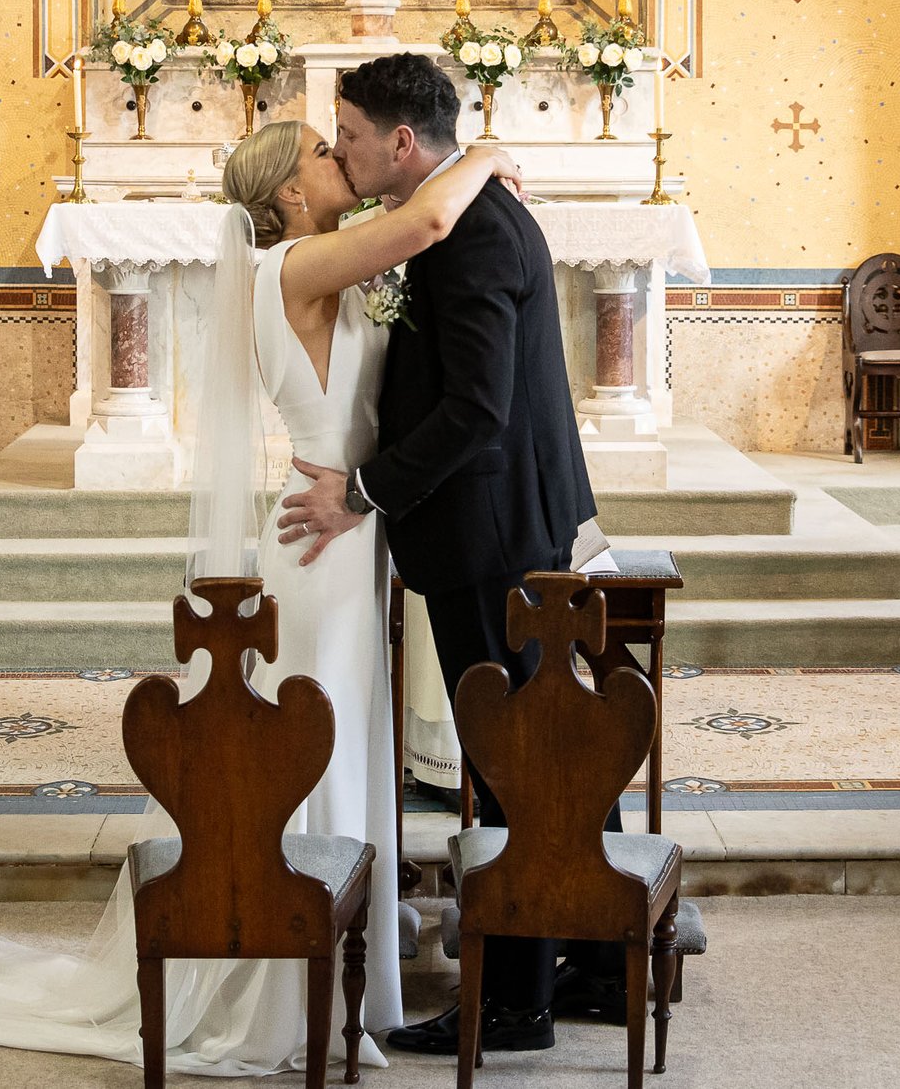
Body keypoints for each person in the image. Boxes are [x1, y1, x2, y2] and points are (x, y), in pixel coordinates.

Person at [0, 124, 519, 1077]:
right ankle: (283, 984)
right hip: (324, 542)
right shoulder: (296, 263)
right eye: (318, 152)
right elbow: (429, 216)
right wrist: (484, 153)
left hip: (346, 532)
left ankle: (345, 968)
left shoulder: (314, 263)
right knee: (318, 745)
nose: (336, 159)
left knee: (343, 741)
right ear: (291, 198)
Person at [277, 52, 604, 1056]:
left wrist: (365, 491)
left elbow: (476, 407)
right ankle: (594, 961)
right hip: (498, 524)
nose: (341, 150)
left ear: (402, 142)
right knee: (537, 744)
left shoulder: (464, 233)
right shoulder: (458, 212)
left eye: (350, 135)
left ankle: (514, 998)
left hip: (489, 533)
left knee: (508, 756)